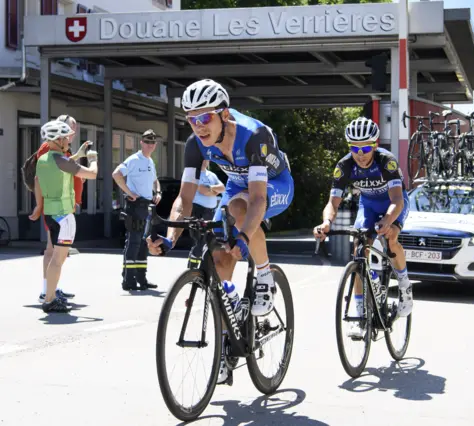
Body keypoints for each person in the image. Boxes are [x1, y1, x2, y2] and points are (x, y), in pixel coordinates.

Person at [146, 79, 294, 385]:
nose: (198, 126)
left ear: (224, 115)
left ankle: (265, 275)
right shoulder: (194, 144)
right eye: (191, 118)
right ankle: (229, 343)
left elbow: (257, 201)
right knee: (219, 260)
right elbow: (185, 198)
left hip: (275, 185)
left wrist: (242, 237)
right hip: (238, 187)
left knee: (240, 213)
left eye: (204, 117)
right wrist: (171, 237)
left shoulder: (254, 136)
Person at [313, 117, 413, 339]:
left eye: (366, 147)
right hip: (368, 204)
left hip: (393, 203)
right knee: (359, 248)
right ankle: (360, 315)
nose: (361, 153)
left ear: (375, 144)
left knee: (392, 236)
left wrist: (388, 221)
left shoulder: (386, 161)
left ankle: (405, 288)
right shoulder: (344, 166)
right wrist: (326, 222)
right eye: (355, 148)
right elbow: (333, 202)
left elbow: (397, 199)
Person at [35, 120, 98, 313]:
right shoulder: (61, 161)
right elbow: (92, 174)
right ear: (59, 139)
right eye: (67, 140)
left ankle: (49, 295)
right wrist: (93, 158)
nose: (68, 143)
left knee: (54, 255)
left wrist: (38, 206)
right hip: (64, 217)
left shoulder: (43, 159)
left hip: (50, 215)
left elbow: (38, 182)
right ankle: (50, 299)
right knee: (58, 259)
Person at [112, 130, 161, 291]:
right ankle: (128, 280)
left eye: (153, 143)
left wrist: (158, 192)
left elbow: (155, 180)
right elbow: (116, 174)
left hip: (146, 207)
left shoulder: (149, 161)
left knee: (143, 243)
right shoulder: (134, 160)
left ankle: (142, 279)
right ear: (141, 143)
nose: (150, 145)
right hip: (135, 206)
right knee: (133, 243)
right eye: (147, 142)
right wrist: (128, 192)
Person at [187, 160, 225, 269]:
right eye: (202, 159)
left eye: (206, 159)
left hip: (211, 212)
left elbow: (222, 188)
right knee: (199, 241)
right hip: (198, 211)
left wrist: (211, 189)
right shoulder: (195, 175)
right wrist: (214, 190)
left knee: (208, 242)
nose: (204, 161)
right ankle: (192, 268)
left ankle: (202, 270)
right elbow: (203, 190)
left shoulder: (212, 175)